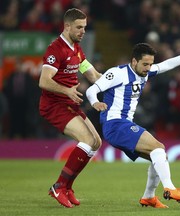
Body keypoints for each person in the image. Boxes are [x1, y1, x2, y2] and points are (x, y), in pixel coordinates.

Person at [86, 37, 180, 208]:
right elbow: (91, 90)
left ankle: (149, 197)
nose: (148, 68)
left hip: (123, 124)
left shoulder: (145, 71)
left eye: (151, 64)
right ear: (134, 61)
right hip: (115, 124)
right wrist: (95, 103)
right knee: (157, 147)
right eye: (145, 64)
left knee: (159, 156)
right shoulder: (117, 73)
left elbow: (167, 65)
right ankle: (170, 188)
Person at [39, 8, 102, 208]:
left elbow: (92, 75)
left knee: (96, 142)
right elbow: (44, 81)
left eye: (84, 27)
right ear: (67, 26)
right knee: (86, 140)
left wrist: (117, 81)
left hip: (68, 104)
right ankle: (59, 186)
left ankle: (67, 187)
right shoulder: (55, 49)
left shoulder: (76, 49)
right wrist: (66, 90)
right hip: (54, 105)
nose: (83, 31)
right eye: (79, 27)